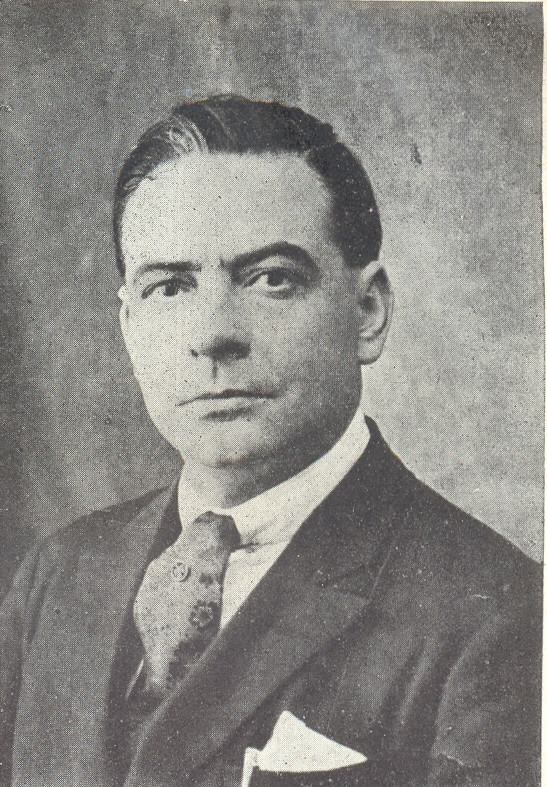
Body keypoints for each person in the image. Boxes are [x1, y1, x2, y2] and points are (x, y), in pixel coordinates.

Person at [0, 95, 540, 787]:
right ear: (129, 324)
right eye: (170, 287)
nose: (212, 334)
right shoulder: (60, 572)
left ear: (367, 311)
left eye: (271, 279)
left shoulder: (497, 614)